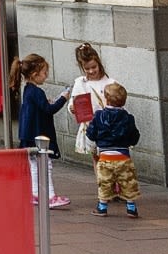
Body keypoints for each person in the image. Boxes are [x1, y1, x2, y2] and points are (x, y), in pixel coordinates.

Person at [12, 54, 70, 209]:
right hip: (38, 135)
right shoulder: (36, 92)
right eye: (44, 73)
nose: (46, 76)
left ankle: (35, 193)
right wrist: (63, 98)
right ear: (34, 74)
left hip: (28, 134)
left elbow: (41, 108)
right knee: (46, 164)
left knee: (34, 165)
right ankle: (50, 196)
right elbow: (50, 109)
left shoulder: (28, 90)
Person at [86, 82, 141, 217]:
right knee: (128, 182)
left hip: (105, 157)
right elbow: (134, 136)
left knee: (104, 183)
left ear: (106, 99)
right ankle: (131, 208)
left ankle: (102, 207)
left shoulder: (99, 116)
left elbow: (91, 134)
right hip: (123, 157)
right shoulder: (128, 118)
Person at [68, 43, 112, 155]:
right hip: (90, 125)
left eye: (94, 67)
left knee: (107, 154)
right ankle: (97, 173)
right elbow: (73, 102)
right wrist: (72, 108)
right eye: (87, 68)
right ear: (82, 67)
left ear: (99, 63)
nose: (91, 71)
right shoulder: (80, 83)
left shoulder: (109, 82)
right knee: (95, 156)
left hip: (107, 125)